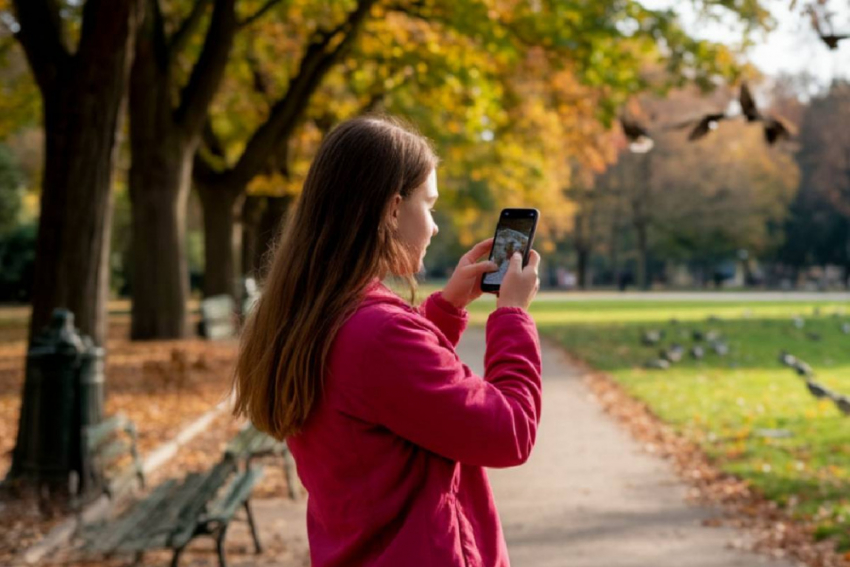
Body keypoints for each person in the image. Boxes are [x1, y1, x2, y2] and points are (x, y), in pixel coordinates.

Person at [231, 115, 542, 567]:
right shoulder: (379, 333)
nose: (434, 226)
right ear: (393, 209)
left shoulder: (315, 311)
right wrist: (512, 316)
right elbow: (509, 432)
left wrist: (447, 308)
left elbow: (385, 388)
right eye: (428, 204)